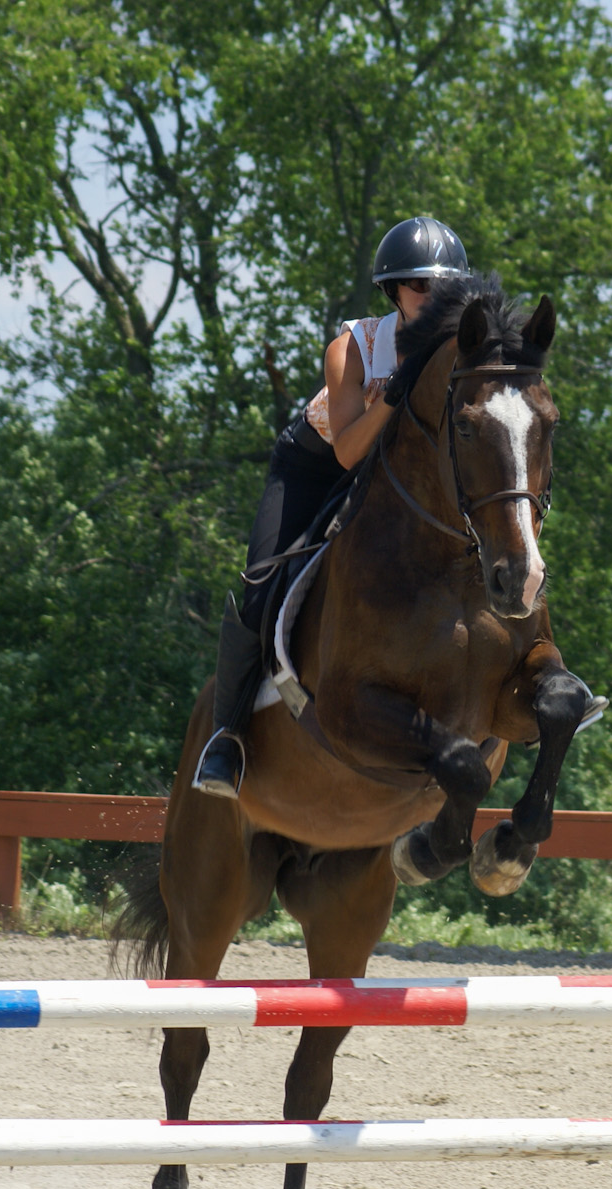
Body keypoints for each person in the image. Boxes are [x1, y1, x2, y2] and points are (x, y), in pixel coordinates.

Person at [193, 215, 472, 798]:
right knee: (261, 580)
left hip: (397, 477)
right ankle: (227, 736)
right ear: (394, 291)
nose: (433, 298)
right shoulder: (354, 346)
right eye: (420, 286)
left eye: (444, 288)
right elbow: (347, 453)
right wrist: (393, 396)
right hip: (317, 467)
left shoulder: (459, 349)